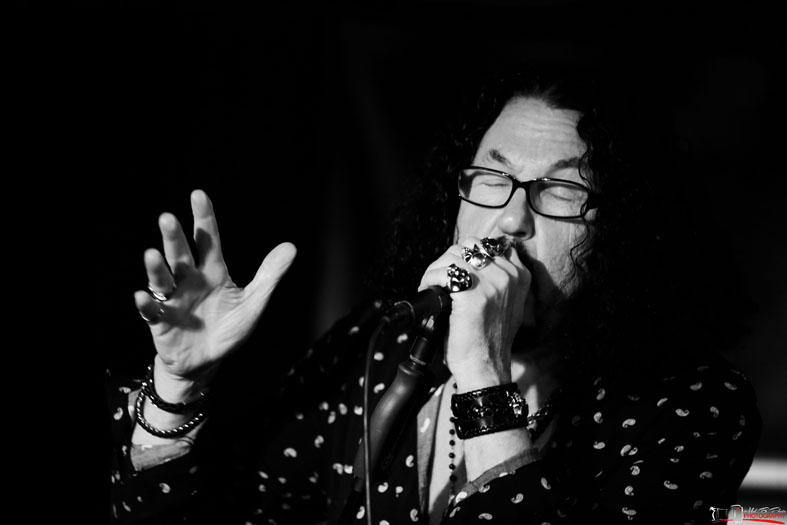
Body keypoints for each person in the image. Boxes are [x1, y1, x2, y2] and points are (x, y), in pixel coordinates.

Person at [108, 66, 761, 524]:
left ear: (624, 228)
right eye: (492, 180)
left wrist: (481, 369)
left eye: (563, 191)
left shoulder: (691, 404)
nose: (510, 221)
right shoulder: (382, 342)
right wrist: (177, 389)